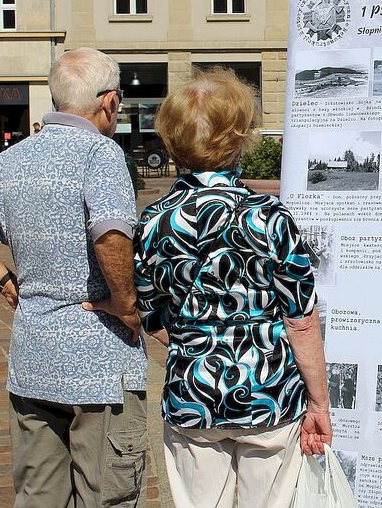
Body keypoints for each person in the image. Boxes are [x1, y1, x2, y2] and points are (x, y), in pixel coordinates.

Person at [0, 48, 147, 508]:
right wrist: (126, 303)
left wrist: (7, 282)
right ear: (108, 102)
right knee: (106, 495)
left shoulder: (14, 159)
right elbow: (110, 232)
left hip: (34, 358)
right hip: (99, 363)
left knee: (38, 497)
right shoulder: (100, 153)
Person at [133, 69, 332, 508]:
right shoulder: (269, 218)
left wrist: (198, 340)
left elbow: (152, 317)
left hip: (192, 396)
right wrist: (319, 402)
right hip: (268, 395)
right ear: (240, 135)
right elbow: (301, 321)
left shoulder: (153, 222)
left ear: (173, 139)